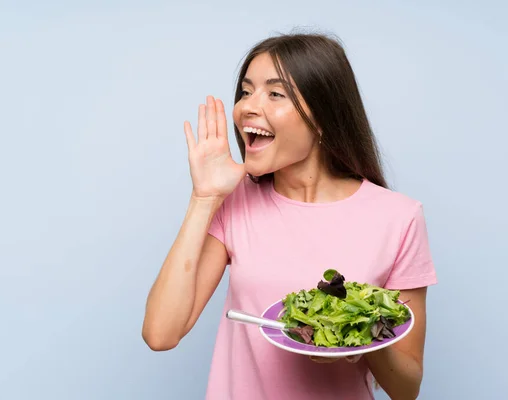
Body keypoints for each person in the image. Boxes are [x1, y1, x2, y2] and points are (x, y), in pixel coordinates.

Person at [142, 32, 438, 400]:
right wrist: (203, 197)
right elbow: (160, 333)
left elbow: (406, 388)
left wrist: (354, 333)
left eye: (275, 93)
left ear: (323, 117)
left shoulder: (399, 218)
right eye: (246, 91)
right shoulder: (235, 202)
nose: (248, 106)